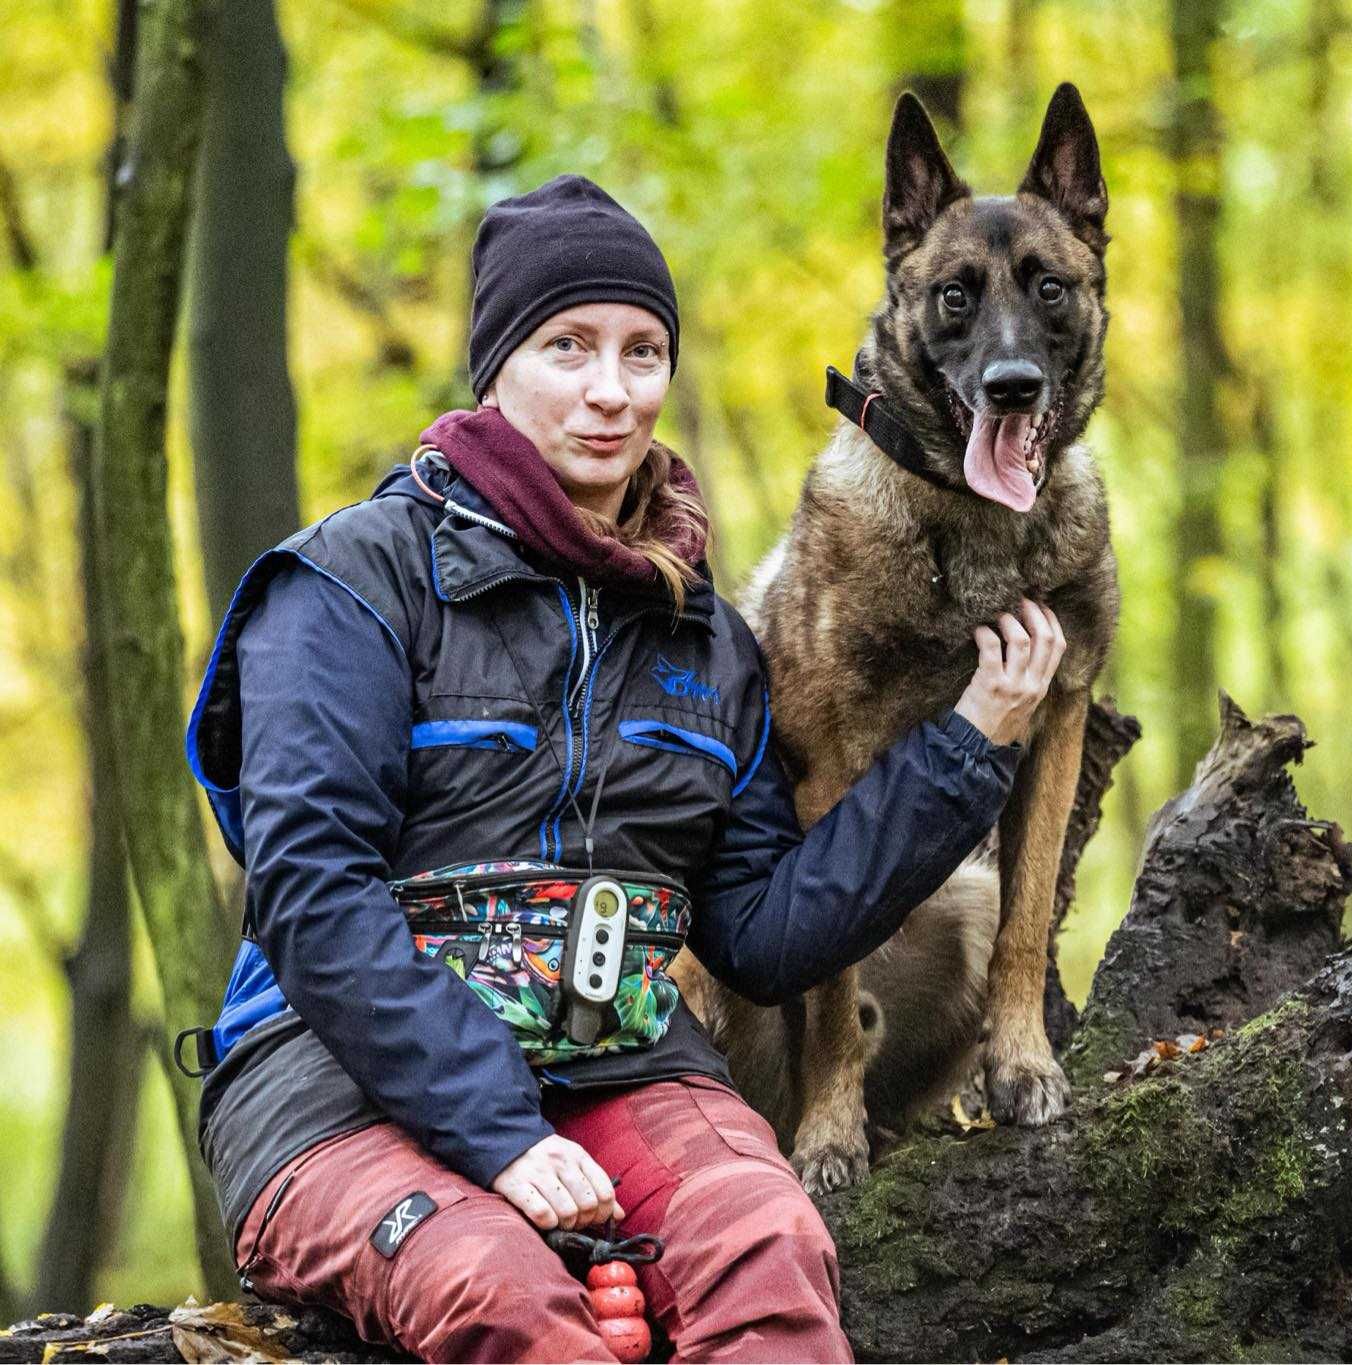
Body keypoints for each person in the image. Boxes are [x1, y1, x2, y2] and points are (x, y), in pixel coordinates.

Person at [179, 173, 1068, 1363]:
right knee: (497, 1291)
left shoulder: (701, 635)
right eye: (568, 348)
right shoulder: (346, 584)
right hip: (333, 1088)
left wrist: (966, 749)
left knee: (769, 1247)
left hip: (620, 1063)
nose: (611, 391)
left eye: (642, 353)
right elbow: (312, 898)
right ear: (495, 367)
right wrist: (495, 1135)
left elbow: (760, 931)